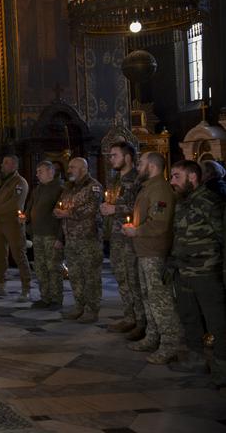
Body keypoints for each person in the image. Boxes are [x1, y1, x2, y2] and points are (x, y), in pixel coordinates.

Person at [166, 160, 225, 386]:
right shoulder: (183, 202)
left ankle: (221, 368)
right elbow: (179, 236)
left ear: (192, 177)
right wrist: (172, 262)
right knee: (189, 317)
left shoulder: (210, 202)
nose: (172, 181)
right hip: (184, 270)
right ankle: (196, 358)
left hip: (207, 272)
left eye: (176, 176)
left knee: (216, 322)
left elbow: (222, 236)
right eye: (171, 176)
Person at [121, 152, 179, 364]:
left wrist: (136, 232)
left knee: (160, 300)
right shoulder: (148, 187)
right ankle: (153, 337)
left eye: (141, 163)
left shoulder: (160, 189)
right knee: (148, 298)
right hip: (144, 251)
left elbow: (160, 223)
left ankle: (170, 345)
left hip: (155, 252)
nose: (137, 166)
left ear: (152, 166)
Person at [101, 141, 145, 339]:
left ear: (127, 157)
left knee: (133, 279)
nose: (111, 159)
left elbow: (140, 207)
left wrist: (114, 209)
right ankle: (129, 317)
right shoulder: (116, 180)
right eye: (110, 155)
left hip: (130, 238)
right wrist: (106, 208)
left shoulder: (137, 179)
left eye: (114, 155)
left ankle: (141, 321)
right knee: (121, 278)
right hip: (116, 236)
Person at [54, 158, 103, 323]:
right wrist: (59, 211)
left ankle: (92, 309)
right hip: (71, 239)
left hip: (88, 238)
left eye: (72, 167)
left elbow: (91, 208)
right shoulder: (69, 188)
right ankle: (79, 306)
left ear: (83, 168)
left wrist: (68, 213)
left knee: (90, 275)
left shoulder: (93, 186)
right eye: (69, 167)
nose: (69, 170)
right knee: (75, 275)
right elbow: (62, 205)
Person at [0, 155, 31, 299]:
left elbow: (15, 203)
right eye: (3, 163)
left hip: (12, 224)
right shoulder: (0, 182)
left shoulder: (20, 182)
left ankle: (26, 288)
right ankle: (0, 285)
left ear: (14, 166)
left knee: (19, 255)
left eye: (6, 163)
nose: (2, 165)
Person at [23, 161, 65, 309]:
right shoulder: (37, 189)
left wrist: (60, 237)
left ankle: (56, 298)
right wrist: (25, 219)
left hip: (51, 235)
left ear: (50, 172)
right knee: (40, 267)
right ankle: (45, 297)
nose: (37, 174)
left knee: (53, 267)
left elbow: (62, 216)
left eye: (40, 171)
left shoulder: (60, 188)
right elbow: (29, 209)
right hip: (38, 234)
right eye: (37, 171)